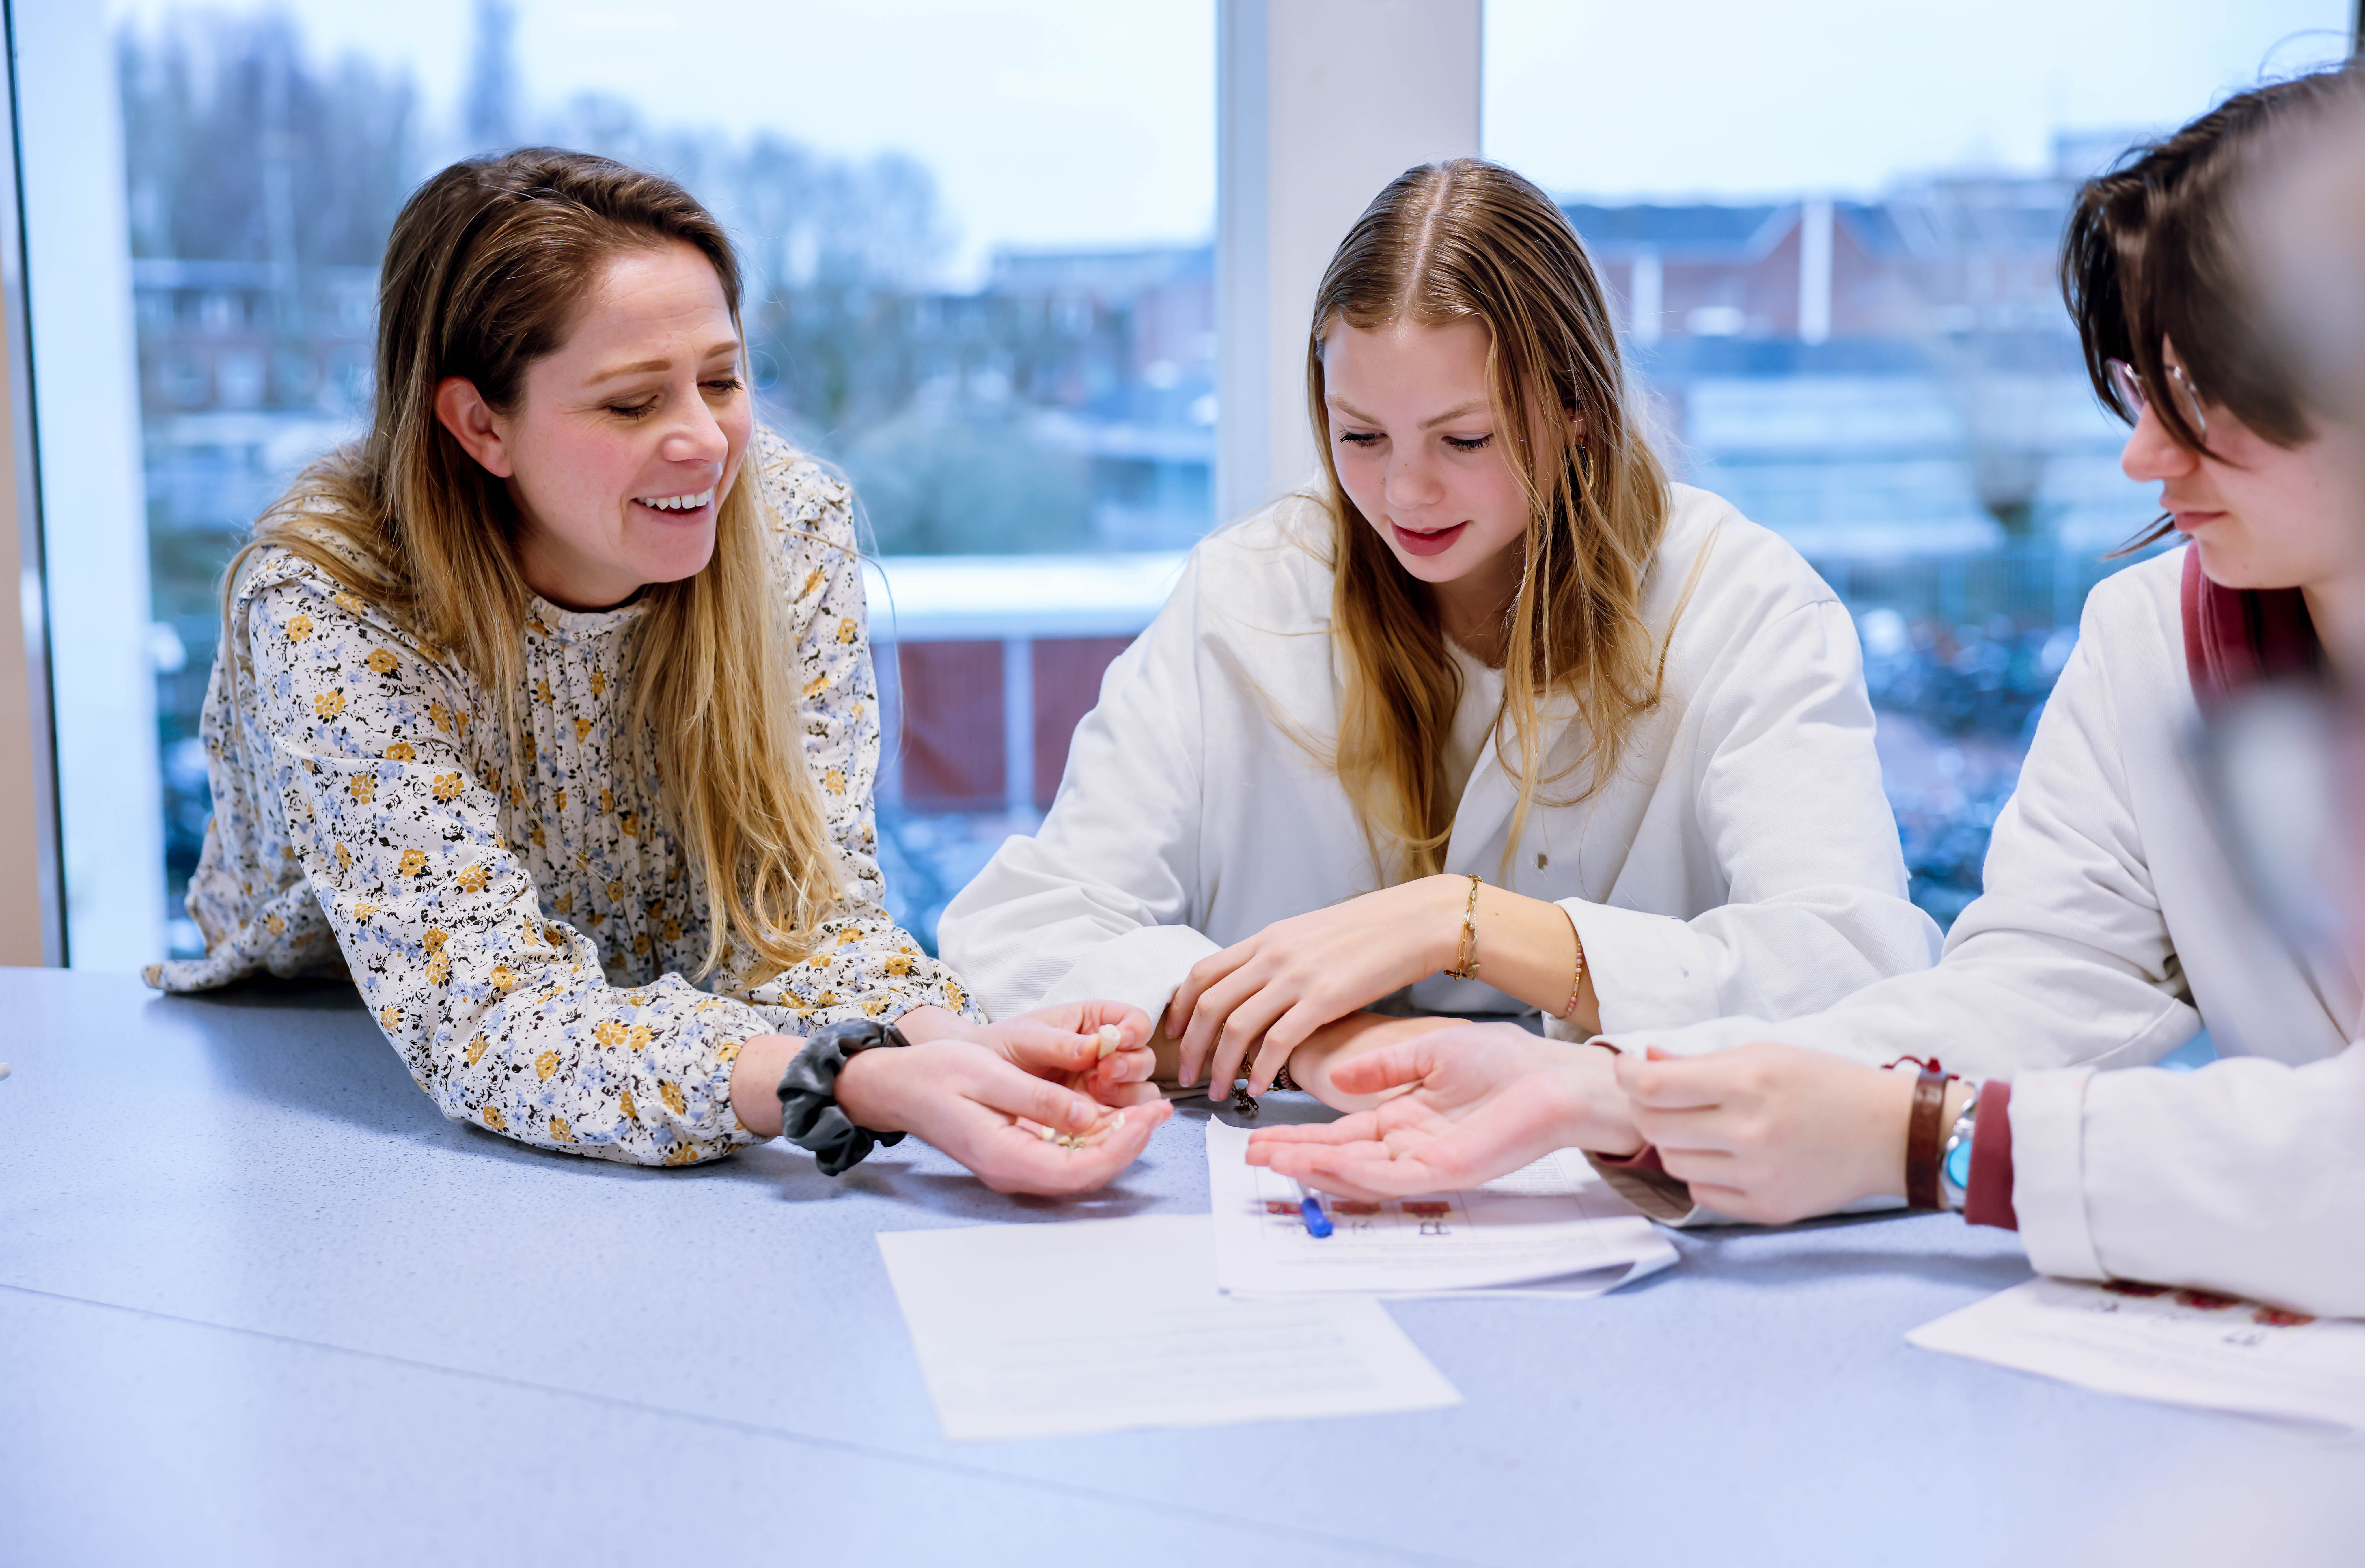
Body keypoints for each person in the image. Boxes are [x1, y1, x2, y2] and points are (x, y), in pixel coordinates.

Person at [1249, 70, 2365, 1317]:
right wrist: (1605, 1095)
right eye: (2141, 391)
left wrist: (1929, 1139)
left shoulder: (1739, 597)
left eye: (2204, 402)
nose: (2139, 457)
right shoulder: (2149, 640)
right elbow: (2020, 1005)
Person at [147, 149, 1169, 1192]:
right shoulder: (330, 597)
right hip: (347, 1051)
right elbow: (491, 1018)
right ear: (480, 425)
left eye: (722, 381)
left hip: (679, 1035)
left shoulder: (784, 522)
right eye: (633, 404)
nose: (705, 443)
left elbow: (805, 914)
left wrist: (945, 1043)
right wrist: (845, 1081)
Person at [940, 159, 1940, 1110]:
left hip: (1634, 1194)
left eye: (1466, 440)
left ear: (1576, 408)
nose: (1403, 493)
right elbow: (1028, 932)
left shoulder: (1741, 604)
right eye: (1359, 436)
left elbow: (1860, 971)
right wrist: (1334, 1045)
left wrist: (1459, 925)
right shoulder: (1247, 594)